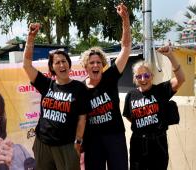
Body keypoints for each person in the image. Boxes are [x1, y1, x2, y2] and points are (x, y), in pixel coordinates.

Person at [23, 23, 89, 170]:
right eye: (57, 62)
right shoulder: (46, 84)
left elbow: (82, 118)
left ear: (69, 64)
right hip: (42, 144)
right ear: (52, 67)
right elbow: (27, 65)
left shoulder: (79, 88)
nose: (61, 65)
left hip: (66, 146)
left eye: (64, 61)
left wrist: (78, 141)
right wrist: (30, 38)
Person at [80, 3, 131, 170]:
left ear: (102, 65)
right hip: (92, 140)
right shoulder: (80, 89)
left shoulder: (110, 77)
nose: (95, 65)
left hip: (115, 137)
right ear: (85, 67)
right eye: (91, 62)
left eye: (98, 62)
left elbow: (125, 47)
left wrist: (125, 19)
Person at [123, 45, 185, 170]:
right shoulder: (131, 95)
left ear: (152, 76)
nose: (143, 79)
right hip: (138, 143)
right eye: (139, 76)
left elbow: (181, 79)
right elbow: (131, 117)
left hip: (158, 143)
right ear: (135, 79)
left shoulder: (161, 90)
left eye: (146, 75)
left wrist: (170, 56)